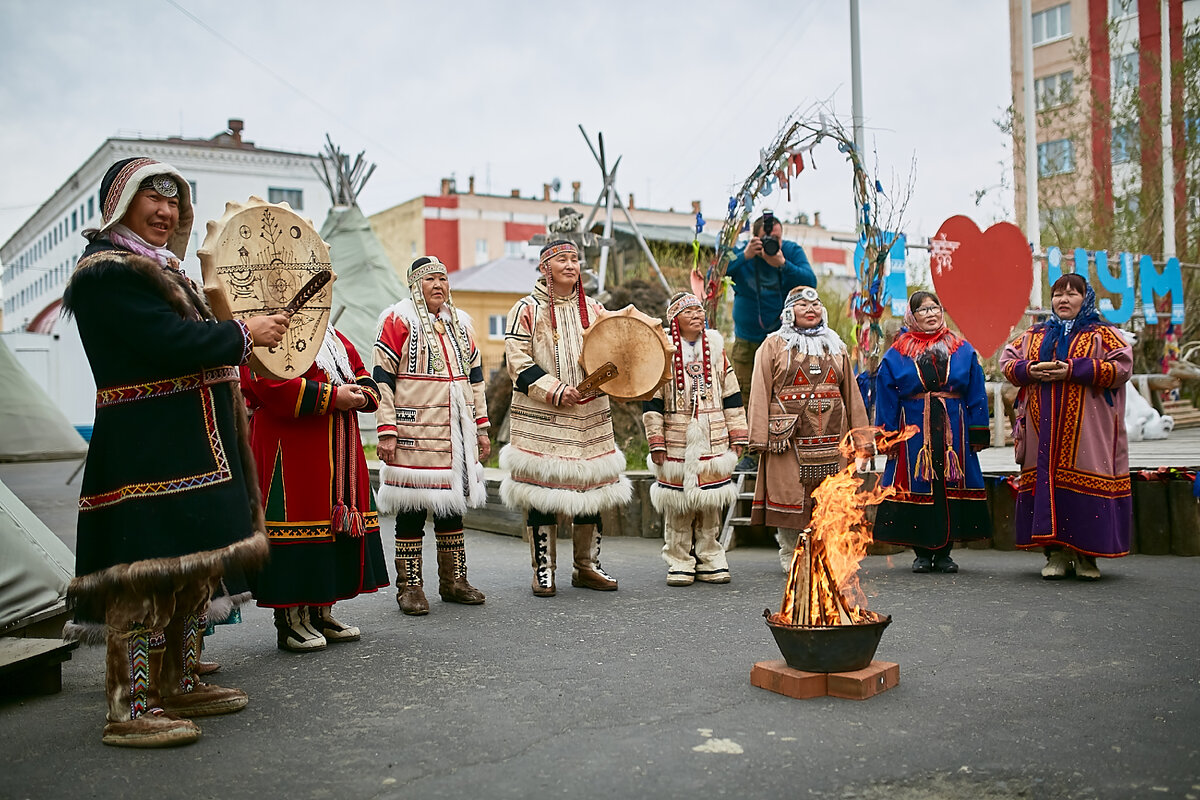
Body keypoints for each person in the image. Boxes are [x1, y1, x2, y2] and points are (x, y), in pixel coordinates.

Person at [60, 157, 289, 748]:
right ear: (123, 204)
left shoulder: (167, 272)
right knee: (145, 577)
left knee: (194, 570)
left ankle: (179, 680)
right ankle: (130, 707)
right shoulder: (106, 272)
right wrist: (243, 334)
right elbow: (167, 343)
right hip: (145, 448)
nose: (166, 212)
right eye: (152, 199)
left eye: (174, 202)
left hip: (195, 446)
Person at [239, 322, 390, 651]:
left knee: (330, 527)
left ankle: (322, 610)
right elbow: (265, 383)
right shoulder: (266, 330)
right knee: (297, 520)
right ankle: (291, 619)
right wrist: (334, 396)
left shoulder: (331, 332)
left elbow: (361, 372)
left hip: (337, 441)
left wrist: (361, 394)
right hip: (291, 442)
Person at [499, 240, 631, 596]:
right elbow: (517, 360)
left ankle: (587, 565)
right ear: (545, 267)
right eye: (562, 259)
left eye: (575, 259)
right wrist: (555, 389)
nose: (571, 265)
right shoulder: (526, 309)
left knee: (592, 488)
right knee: (542, 491)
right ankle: (544, 569)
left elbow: (614, 353)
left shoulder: (596, 309)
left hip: (590, 413)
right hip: (543, 415)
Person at [374, 257, 489, 615]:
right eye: (430, 280)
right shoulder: (397, 320)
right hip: (414, 430)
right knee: (411, 509)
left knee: (451, 508)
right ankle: (410, 588)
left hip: (455, 432)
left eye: (443, 278)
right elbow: (382, 378)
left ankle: (454, 581)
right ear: (414, 285)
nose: (439, 285)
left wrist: (482, 428)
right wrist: (387, 430)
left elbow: (476, 379)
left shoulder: (461, 325)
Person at [1000, 273, 1132, 580]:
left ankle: (1088, 557)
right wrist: (1031, 368)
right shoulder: (1035, 335)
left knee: (1088, 477)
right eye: (1059, 294)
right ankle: (1055, 553)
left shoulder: (1104, 334)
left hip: (1088, 429)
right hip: (1041, 429)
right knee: (1047, 482)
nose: (1064, 300)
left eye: (1072, 294)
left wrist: (1073, 369)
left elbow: (1122, 367)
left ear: (1085, 299)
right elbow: (1007, 362)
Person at [747, 286, 871, 571]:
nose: (810, 310)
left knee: (831, 499)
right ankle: (792, 557)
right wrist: (758, 437)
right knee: (790, 499)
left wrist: (862, 442)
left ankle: (828, 555)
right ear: (789, 312)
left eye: (815, 306)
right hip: (787, 440)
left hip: (833, 440)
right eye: (802, 306)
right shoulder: (773, 345)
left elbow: (851, 394)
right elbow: (760, 390)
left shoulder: (836, 345)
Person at [873, 291, 993, 573]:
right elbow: (887, 397)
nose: (930, 313)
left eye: (934, 307)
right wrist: (887, 436)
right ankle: (922, 553)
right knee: (919, 484)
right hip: (914, 432)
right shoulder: (897, 353)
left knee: (949, 485)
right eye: (922, 309)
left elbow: (976, 391)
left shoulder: (962, 349)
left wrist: (977, 430)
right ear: (912, 317)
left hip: (954, 431)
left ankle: (946, 553)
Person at [642, 292, 748, 585]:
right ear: (674, 319)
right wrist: (656, 441)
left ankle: (711, 555)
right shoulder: (662, 352)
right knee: (678, 507)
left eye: (700, 311)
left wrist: (738, 434)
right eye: (689, 312)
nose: (697, 316)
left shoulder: (716, 351)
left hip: (713, 436)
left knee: (710, 505)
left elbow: (732, 394)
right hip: (676, 437)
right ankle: (679, 559)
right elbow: (652, 402)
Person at [727, 211, 816, 471]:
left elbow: (810, 282)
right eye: (766, 238)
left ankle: (783, 448)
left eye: (775, 237)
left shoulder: (789, 251)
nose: (771, 242)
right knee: (744, 394)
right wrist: (745, 256)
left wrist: (782, 263)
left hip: (783, 340)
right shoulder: (743, 252)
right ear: (755, 237)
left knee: (783, 395)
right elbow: (715, 273)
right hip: (746, 339)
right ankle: (750, 455)